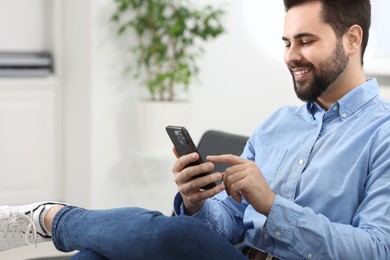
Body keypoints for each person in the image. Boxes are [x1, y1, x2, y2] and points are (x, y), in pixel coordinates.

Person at [1, 0, 389, 259]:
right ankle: (51, 220)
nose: (291, 56)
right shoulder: (277, 125)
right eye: (287, 42)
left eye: (306, 41)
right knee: (98, 255)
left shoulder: (382, 133)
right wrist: (195, 203)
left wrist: (271, 205)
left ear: (352, 39)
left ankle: (51, 218)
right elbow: (226, 225)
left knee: (176, 236)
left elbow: (377, 248)